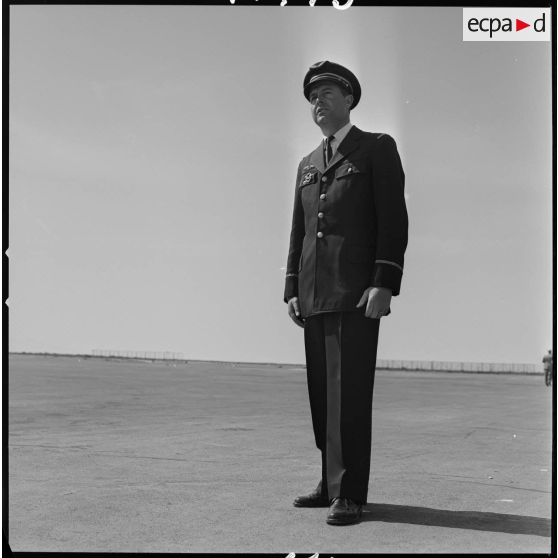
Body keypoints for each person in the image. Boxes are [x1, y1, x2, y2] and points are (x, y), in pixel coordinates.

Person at [283, 60, 408, 526]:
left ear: (349, 99)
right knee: (322, 394)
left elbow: (392, 220)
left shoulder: (376, 148)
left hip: (356, 293)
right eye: (313, 97)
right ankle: (330, 480)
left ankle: (351, 492)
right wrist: (292, 287)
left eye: (328, 94)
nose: (318, 102)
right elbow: (299, 231)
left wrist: (384, 281)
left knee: (348, 395)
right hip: (314, 294)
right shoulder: (307, 164)